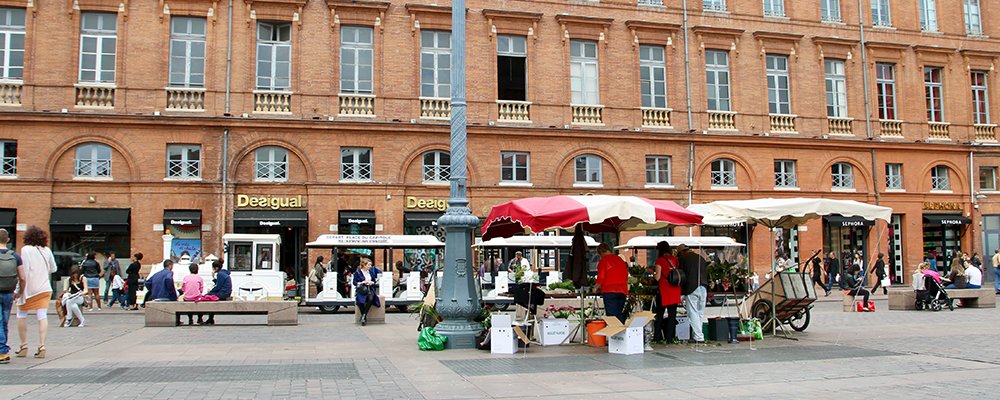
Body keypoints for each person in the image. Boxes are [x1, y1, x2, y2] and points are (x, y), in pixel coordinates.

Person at [15, 226, 58, 359]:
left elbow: (24, 271)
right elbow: (53, 268)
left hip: (29, 289)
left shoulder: (25, 250)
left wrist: (19, 289)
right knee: (42, 315)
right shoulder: (47, 251)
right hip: (44, 287)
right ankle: (42, 345)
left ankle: (23, 345)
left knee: (21, 314)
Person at [678, 244, 709, 343]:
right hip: (703, 286)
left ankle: (699, 337)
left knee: (693, 313)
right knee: (700, 312)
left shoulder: (684, 259)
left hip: (692, 287)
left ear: (681, 252)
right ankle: (698, 335)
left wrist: (682, 292)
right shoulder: (700, 258)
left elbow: (681, 275)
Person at [651, 241, 681, 344]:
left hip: (664, 291)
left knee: (659, 315)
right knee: (672, 316)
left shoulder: (660, 260)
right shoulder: (675, 259)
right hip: (675, 290)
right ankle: (670, 338)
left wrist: (653, 272)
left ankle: (657, 337)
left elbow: (658, 277)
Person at [0, 229, 22, 364]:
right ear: (7, 240)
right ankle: (3, 349)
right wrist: (20, 291)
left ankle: (2, 351)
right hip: (9, 292)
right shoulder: (15, 256)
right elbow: (23, 277)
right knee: (4, 321)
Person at [595, 243, 628, 323]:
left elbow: (601, 277)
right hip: (622, 290)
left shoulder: (604, 261)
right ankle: (622, 333)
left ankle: (614, 334)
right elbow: (626, 274)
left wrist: (596, 287)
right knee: (618, 314)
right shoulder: (620, 260)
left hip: (610, 290)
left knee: (612, 317)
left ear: (601, 252)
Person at [354, 258, 381, 326]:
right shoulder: (358, 272)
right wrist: (362, 282)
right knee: (360, 302)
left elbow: (374, 281)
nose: (370, 266)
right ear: (364, 265)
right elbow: (354, 282)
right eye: (369, 265)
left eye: (370, 265)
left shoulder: (371, 272)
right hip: (362, 290)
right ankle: (364, 316)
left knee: (371, 298)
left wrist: (372, 282)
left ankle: (364, 315)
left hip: (369, 289)